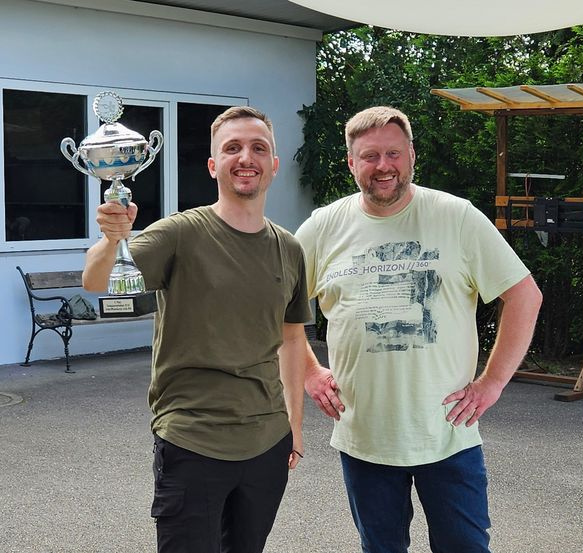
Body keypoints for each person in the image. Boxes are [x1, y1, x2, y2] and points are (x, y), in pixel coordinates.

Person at [295, 106, 543, 553]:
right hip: (366, 437)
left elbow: (525, 296)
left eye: (393, 153)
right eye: (369, 156)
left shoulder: (457, 217)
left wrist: (492, 383)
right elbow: (279, 307)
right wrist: (310, 373)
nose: (383, 166)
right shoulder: (323, 227)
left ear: (412, 156)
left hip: (448, 434)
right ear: (351, 163)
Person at [82, 106, 312, 553]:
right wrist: (112, 239)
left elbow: (291, 338)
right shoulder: (180, 234)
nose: (246, 157)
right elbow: (96, 281)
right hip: (192, 441)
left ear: (274, 164)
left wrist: (294, 427)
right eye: (232, 148)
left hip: (266, 443)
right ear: (213, 165)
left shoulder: (289, 247)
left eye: (258, 148)